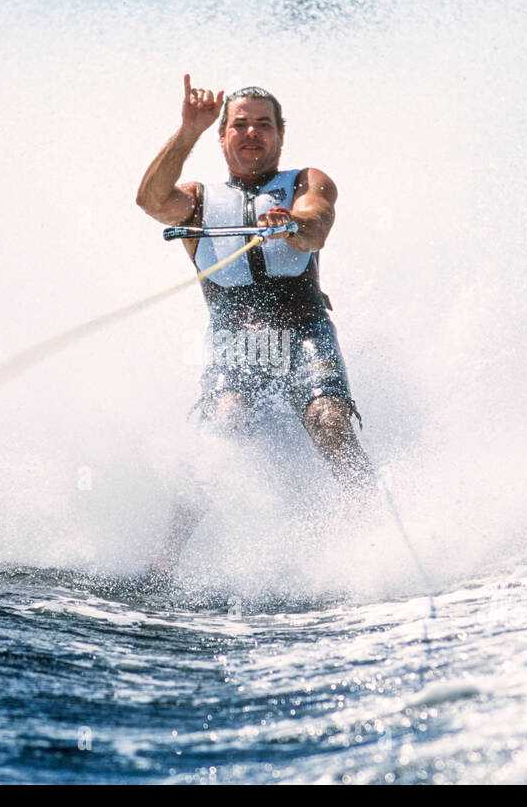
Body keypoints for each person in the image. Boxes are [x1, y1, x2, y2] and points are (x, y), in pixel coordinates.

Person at [136, 74, 373, 574]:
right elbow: (151, 202)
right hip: (234, 341)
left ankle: (373, 532)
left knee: (330, 420)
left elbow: (316, 226)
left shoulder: (307, 182)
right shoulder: (198, 201)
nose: (252, 133)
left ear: (280, 135)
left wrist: (293, 224)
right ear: (222, 136)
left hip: (305, 332)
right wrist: (188, 131)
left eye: (264, 125)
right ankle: (166, 560)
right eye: (240, 124)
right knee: (223, 424)